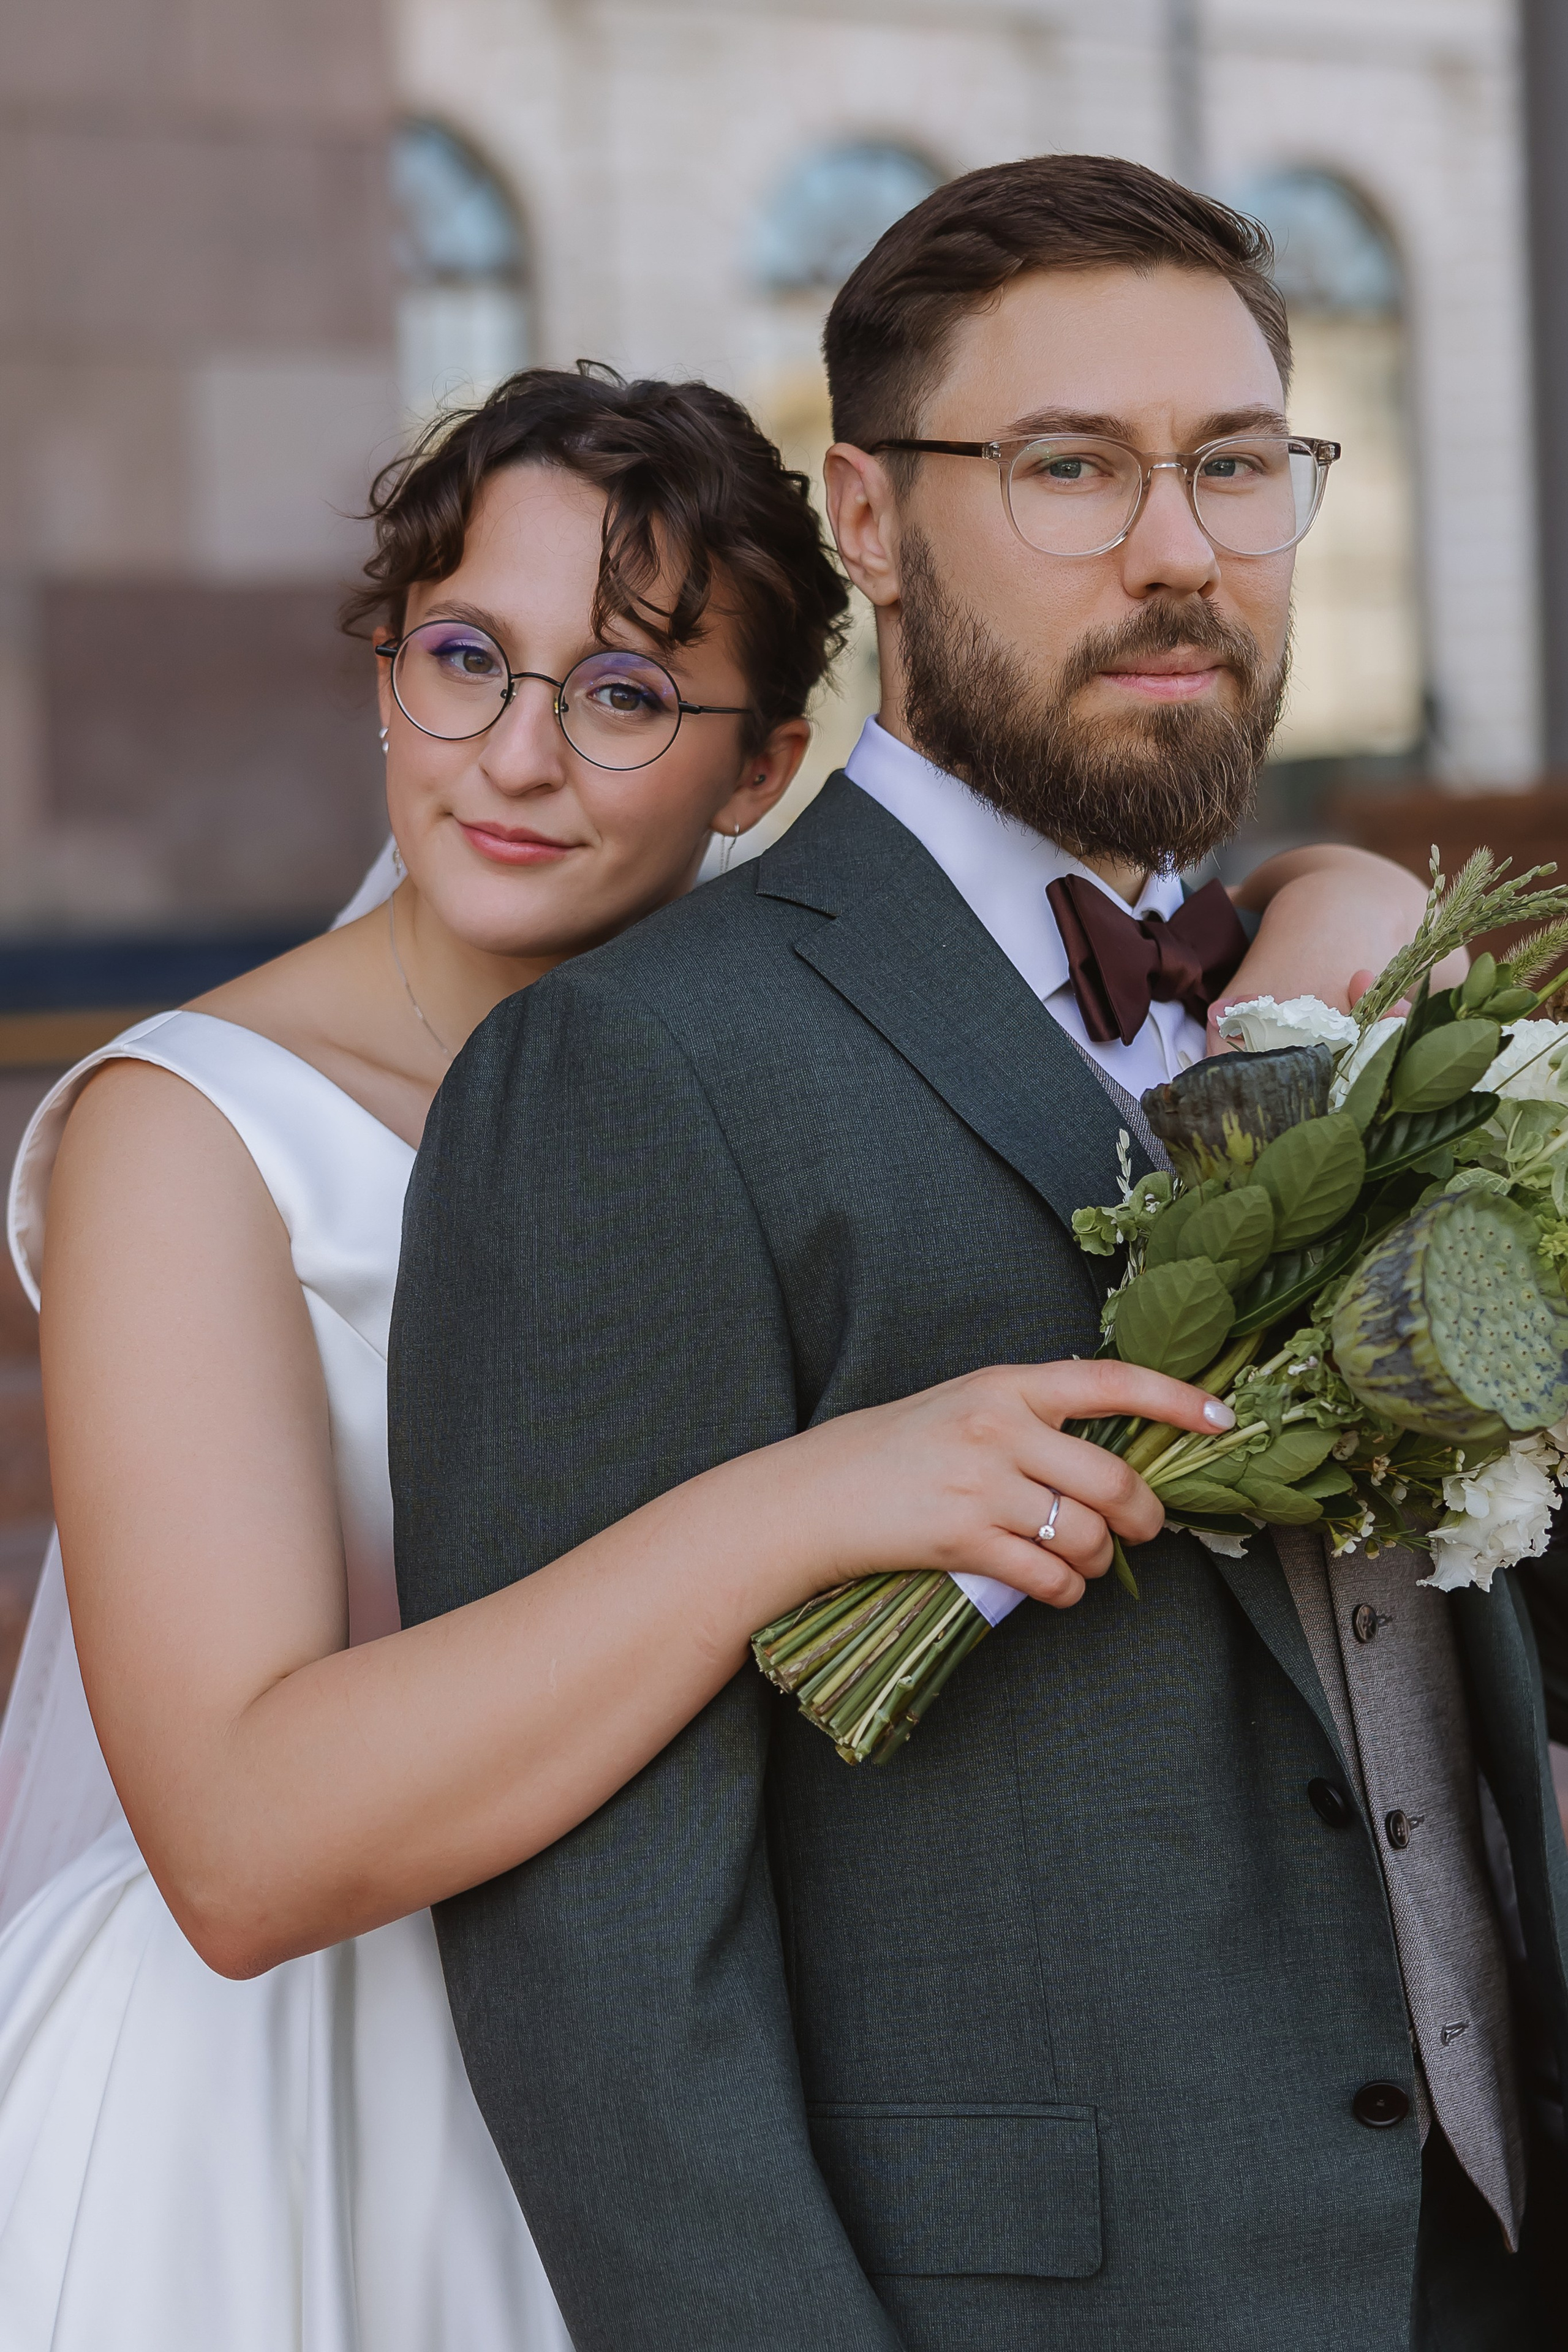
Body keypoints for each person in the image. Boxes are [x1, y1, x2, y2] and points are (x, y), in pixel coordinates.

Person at [0, 364, 1406, 2351]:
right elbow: (240, 1851)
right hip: (311, 2120)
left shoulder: (798, 1030)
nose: (518, 757)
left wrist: (1347, 922)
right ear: (384, 662)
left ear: (759, 773)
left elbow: (1276, 897)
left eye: (630, 694)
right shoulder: (195, 1130)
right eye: (466, 659)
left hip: (739, 2065)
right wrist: (802, 1506)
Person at [392, 163, 1568, 2350]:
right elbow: (603, 1953)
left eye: (1235, 465)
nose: (1177, 549)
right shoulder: (639, 1068)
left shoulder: (1367, 1003)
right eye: (1067, 469)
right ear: (864, 518)